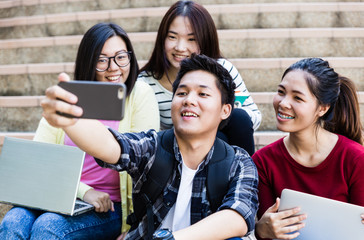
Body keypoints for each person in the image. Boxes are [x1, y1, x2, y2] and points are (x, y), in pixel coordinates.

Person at [39, 54, 259, 240]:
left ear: (225, 110)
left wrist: (172, 239)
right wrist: (71, 120)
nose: (189, 100)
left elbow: (238, 215)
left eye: (203, 94)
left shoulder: (239, 163)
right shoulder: (153, 147)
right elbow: (110, 145)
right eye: (181, 93)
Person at [0, 22, 160, 240]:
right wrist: (85, 192)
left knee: (48, 227)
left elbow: (144, 163)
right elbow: (36, 161)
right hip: (57, 195)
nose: (114, 67)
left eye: (121, 57)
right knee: (13, 222)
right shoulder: (69, 98)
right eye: (102, 60)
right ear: (88, 62)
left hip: (110, 207)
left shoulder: (140, 94)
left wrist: (135, 227)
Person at [252, 57, 364, 240]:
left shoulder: (355, 158)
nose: (283, 103)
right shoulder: (262, 161)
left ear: (323, 108)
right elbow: (268, 233)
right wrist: (261, 230)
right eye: (281, 92)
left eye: (297, 97)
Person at [138, 0, 261, 155]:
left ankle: (245, 176)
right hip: (177, 153)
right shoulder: (145, 83)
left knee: (237, 119)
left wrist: (213, 115)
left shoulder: (222, 70)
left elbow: (253, 117)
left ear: (205, 39)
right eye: (172, 37)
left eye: (191, 39)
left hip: (221, 146)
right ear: (162, 39)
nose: (180, 48)